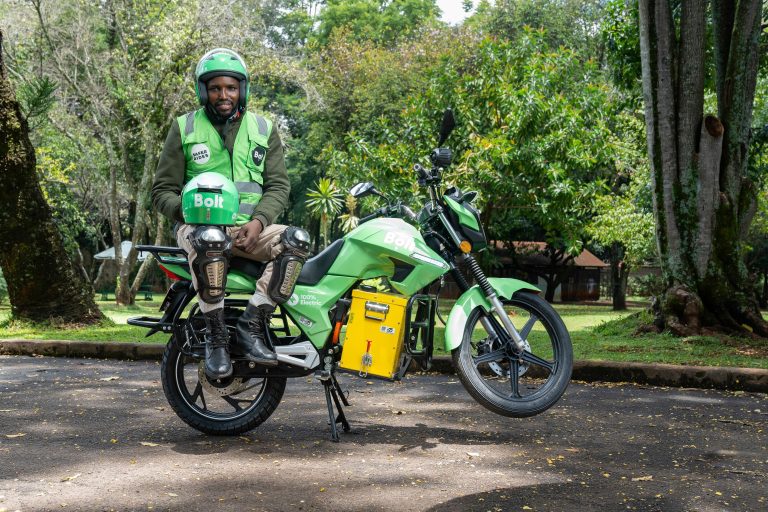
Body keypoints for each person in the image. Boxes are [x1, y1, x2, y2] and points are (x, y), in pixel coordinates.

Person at [151, 48, 310, 380]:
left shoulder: (264, 129)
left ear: (242, 90)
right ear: (203, 91)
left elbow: (279, 185)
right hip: (200, 231)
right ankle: (216, 337)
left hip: (249, 230)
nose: (223, 95)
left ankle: (252, 326)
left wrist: (259, 221)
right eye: (215, 88)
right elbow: (162, 190)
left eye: (230, 88)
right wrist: (189, 211)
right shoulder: (185, 127)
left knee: (296, 242)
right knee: (209, 238)